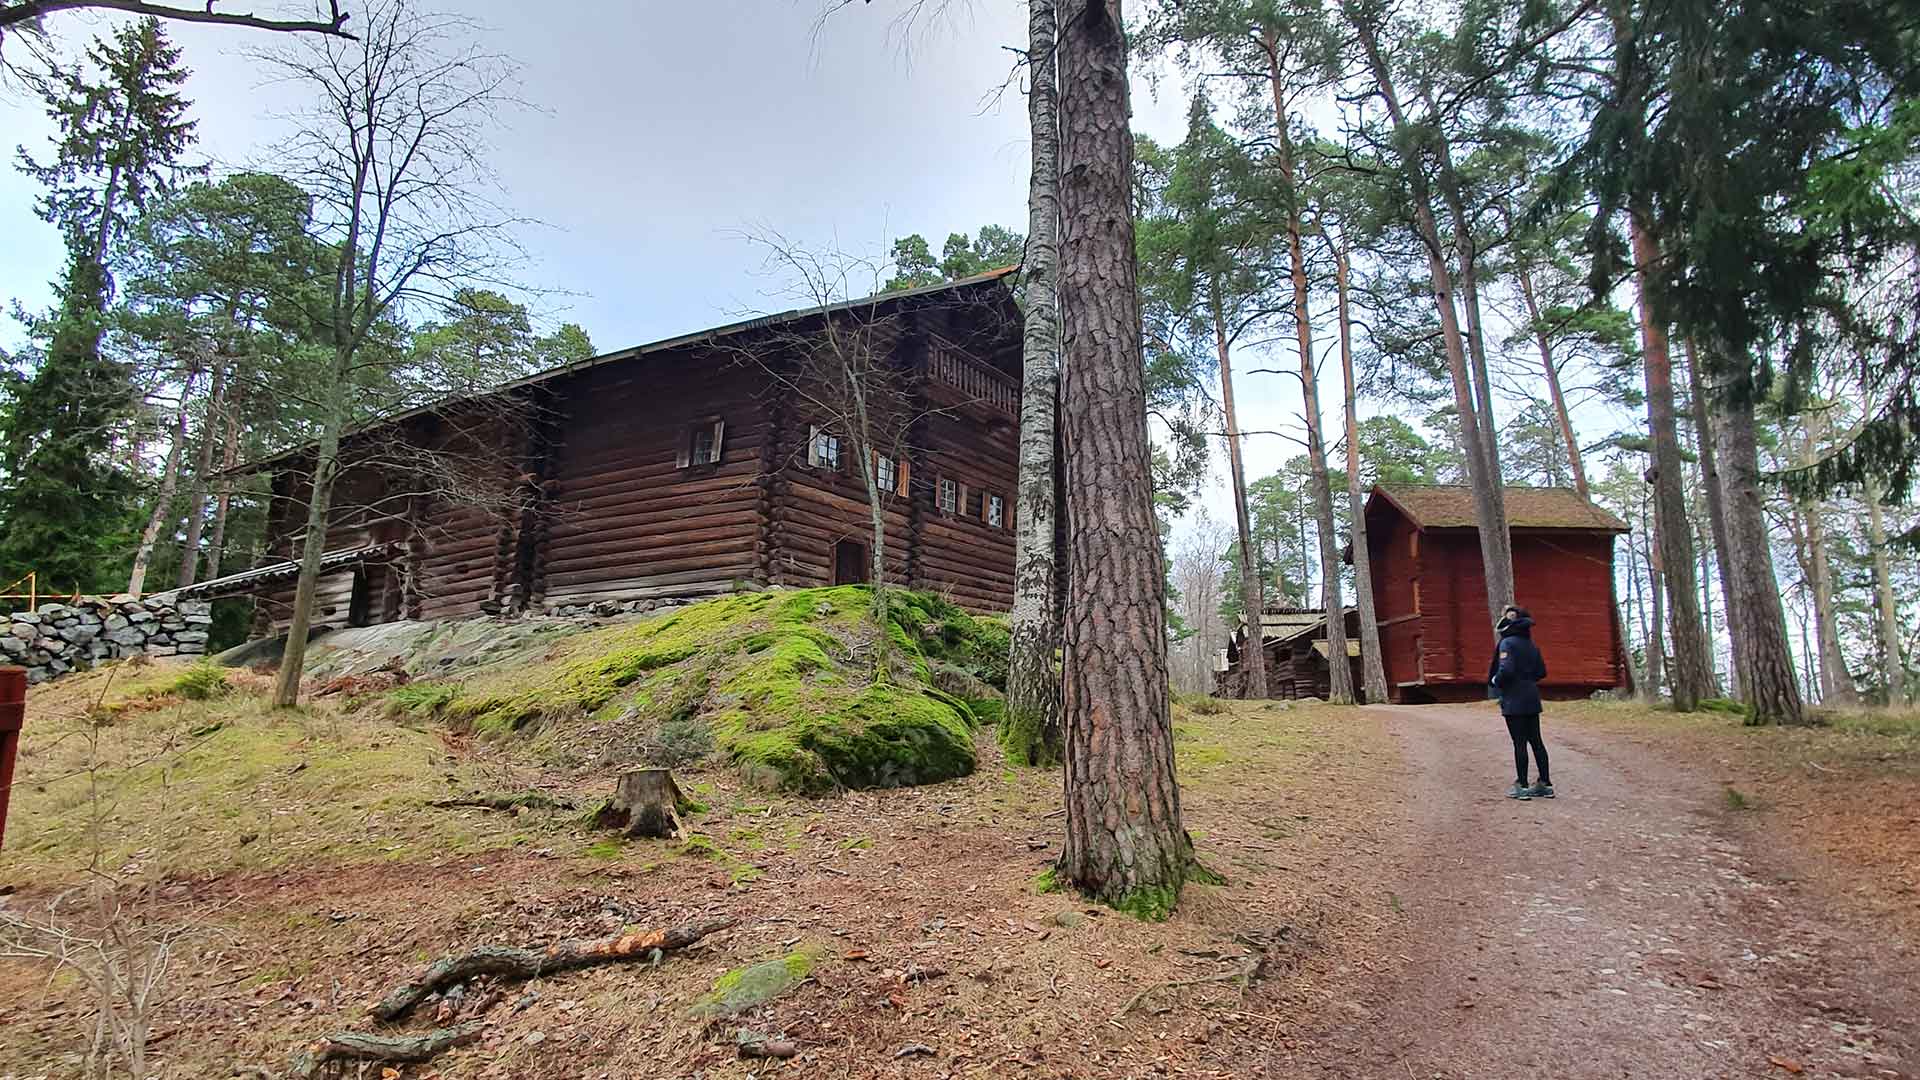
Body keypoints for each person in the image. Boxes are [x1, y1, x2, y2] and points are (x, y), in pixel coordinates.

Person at [1489, 605, 1553, 800]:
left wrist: (1495, 681)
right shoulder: (1532, 645)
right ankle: (1545, 783)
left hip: (1513, 698)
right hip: (1531, 696)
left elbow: (1506, 670)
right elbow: (1542, 672)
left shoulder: (1507, 643)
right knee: (1536, 741)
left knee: (1519, 742)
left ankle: (1522, 785)